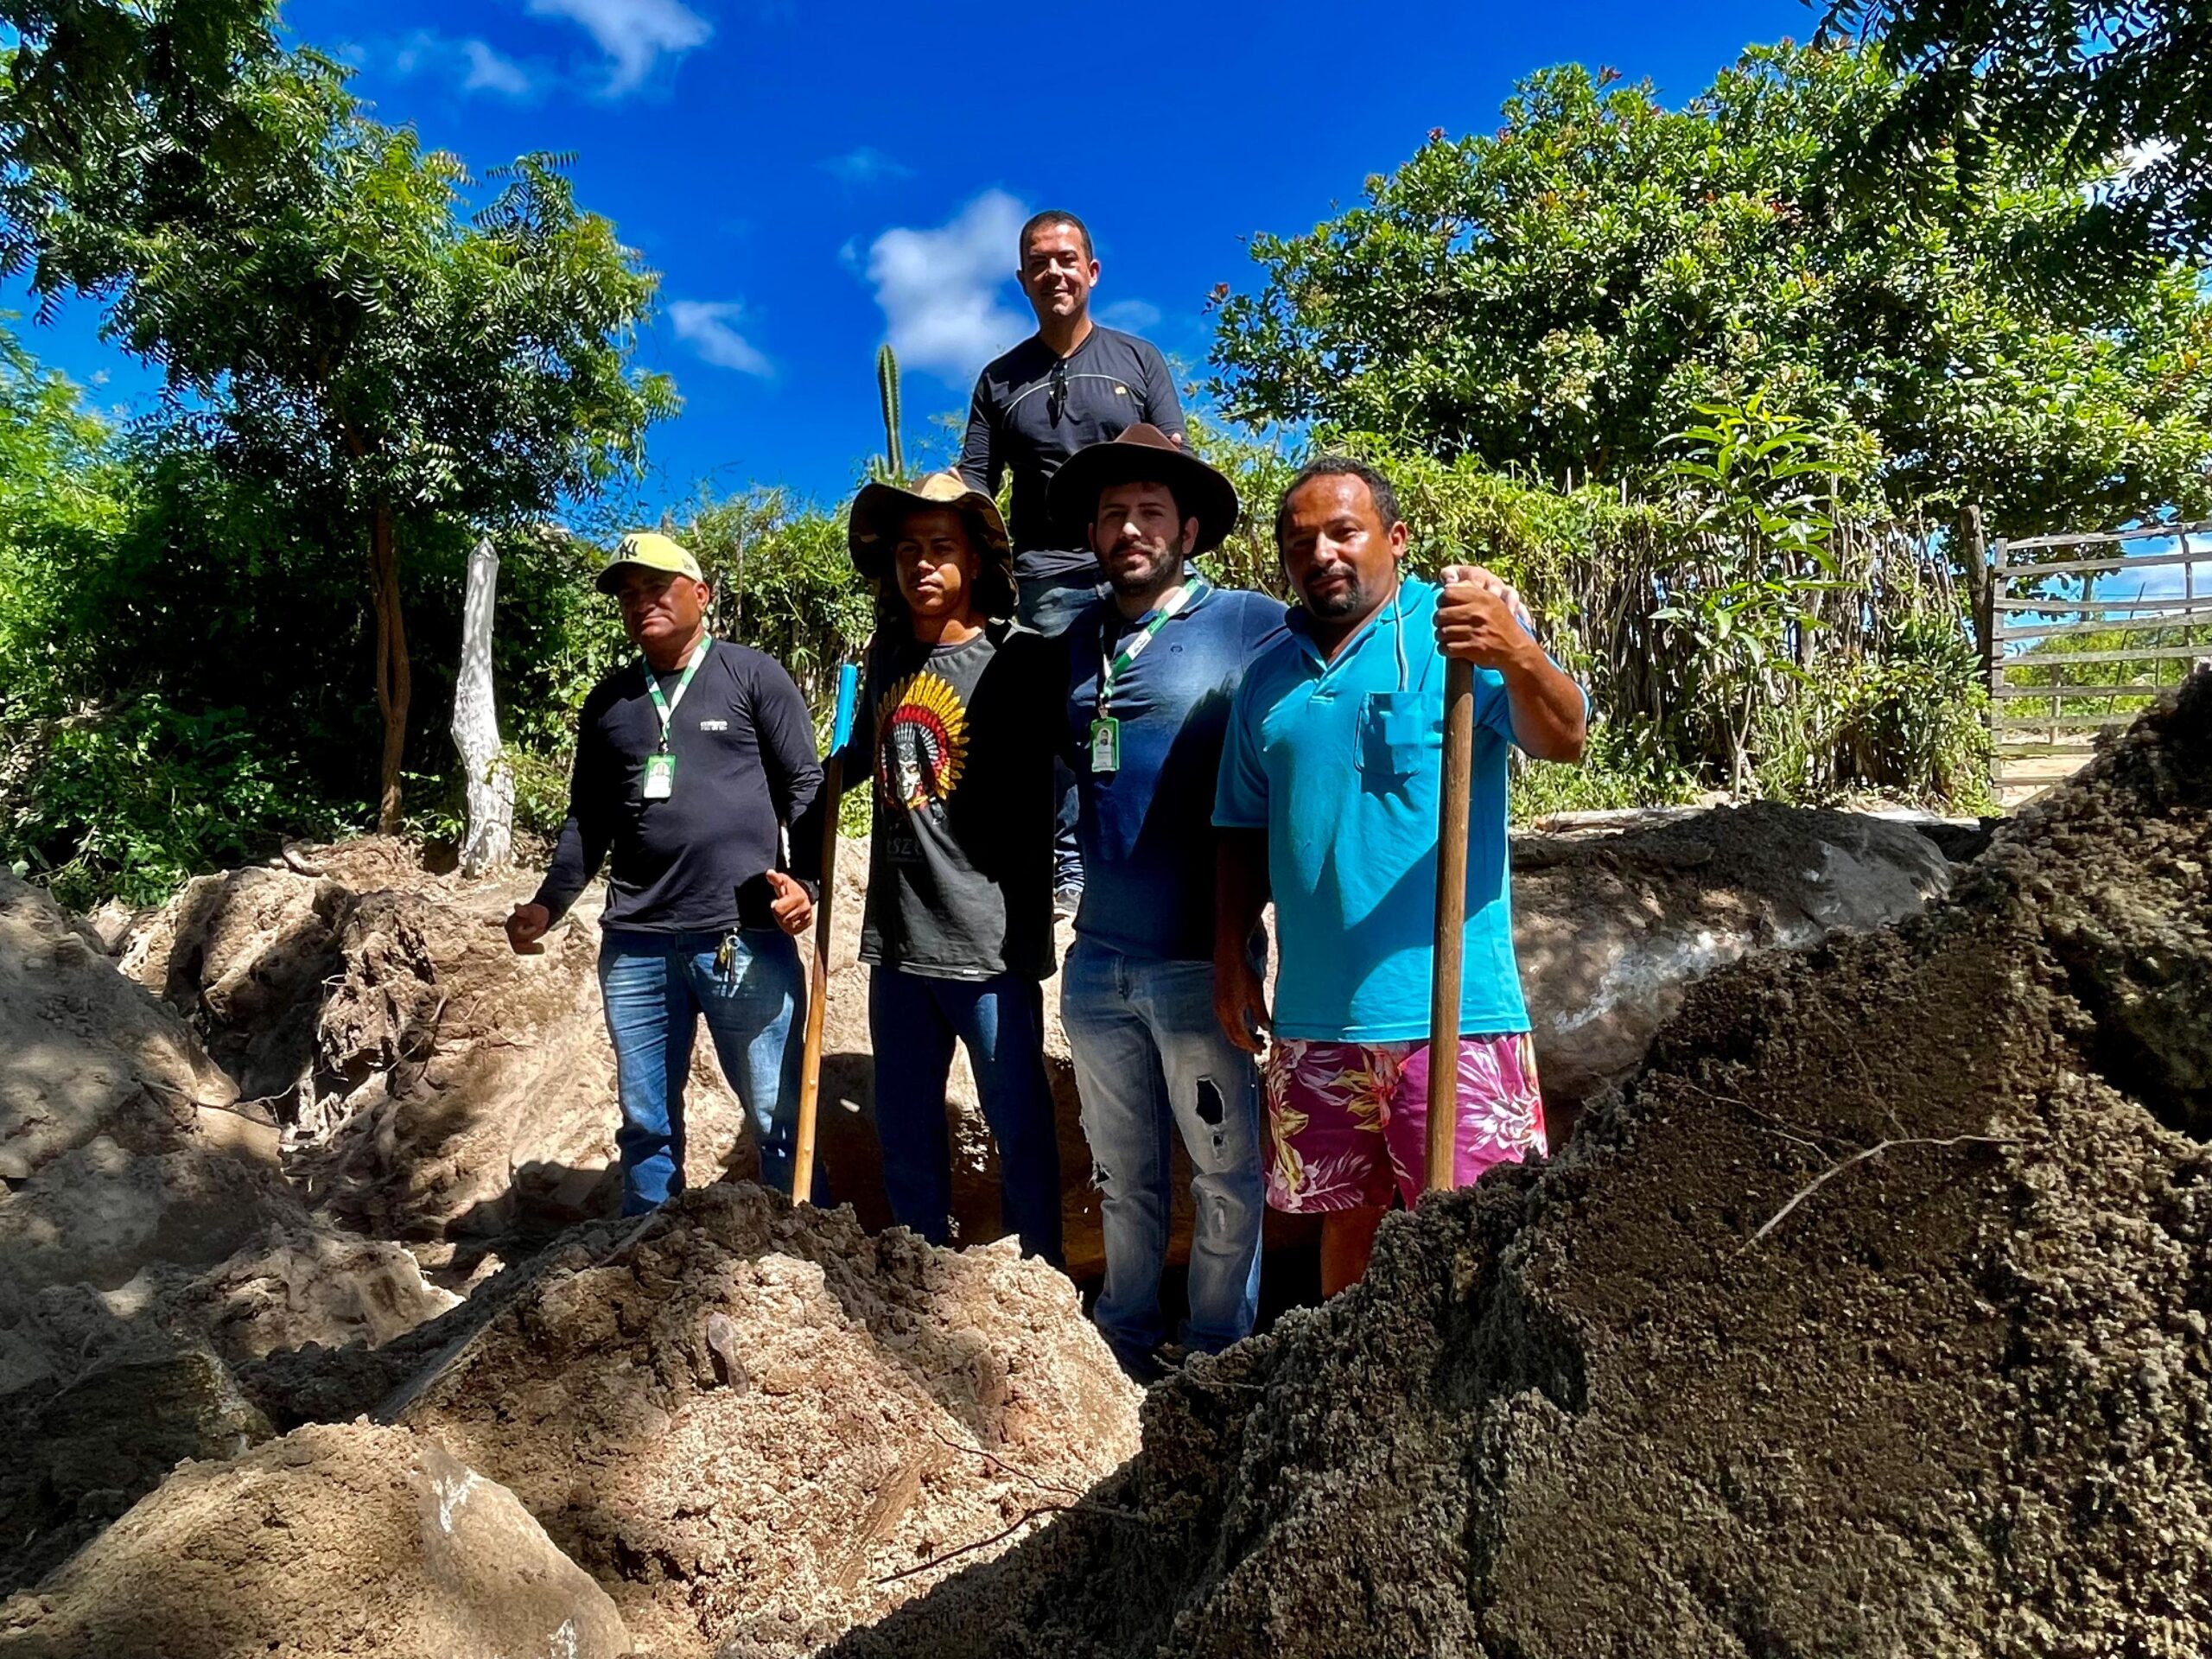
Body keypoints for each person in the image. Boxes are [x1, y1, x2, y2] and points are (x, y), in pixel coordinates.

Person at [1211, 459, 1586, 1295]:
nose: (1322, 554)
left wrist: (1516, 650)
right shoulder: (1266, 680)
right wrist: (1231, 951)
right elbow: (1239, 825)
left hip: (1451, 1013)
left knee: (1475, 1234)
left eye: (1343, 531)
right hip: (1314, 1021)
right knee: (1346, 1222)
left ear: (1394, 539)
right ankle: (1348, 1397)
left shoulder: (1456, 631)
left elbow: (1564, 738)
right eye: (1299, 540)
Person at [1043, 425, 1284, 1380]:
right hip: (1096, 963)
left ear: (1188, 527)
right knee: (1120, 1174)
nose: (1129, 528)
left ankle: (1219, 1354)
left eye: (1149, 511)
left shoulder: (1250, 622)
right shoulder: (1073, 642)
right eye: (1111, 514)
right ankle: (1123, 1343)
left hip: (1203, 963)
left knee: (1226, 1171)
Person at [507, 531, 822, 1215]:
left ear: (700, 594)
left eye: (656, 587)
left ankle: (805, 1254)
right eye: (628, 593)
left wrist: (809, 885)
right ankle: (644, 1254)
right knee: (646, 1120)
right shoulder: (610, 703)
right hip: (637, 943)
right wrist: (547, 904)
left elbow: (805, 785)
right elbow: (588, 819)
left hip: (744, 937)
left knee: (778, 1115)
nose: (641, 601)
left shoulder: (751, 675)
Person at [798, 472, 1065, 1262]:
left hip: (987, 946)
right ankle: (919, 1280)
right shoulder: (884, 658)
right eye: (908, 550)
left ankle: (1039, 1287)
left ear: (976, 560)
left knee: (1018, 1127)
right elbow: (852, 763)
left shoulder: (1021, 661)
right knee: (906, 1130)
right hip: (898, 943)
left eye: (941, 549)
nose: (922, 565)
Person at [959, 208, 1186, 918]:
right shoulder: (1000, 380)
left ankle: (1162, 839)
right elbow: (975, 484)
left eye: (1067, 259)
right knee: (1059, 718)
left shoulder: (1137, 360)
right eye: (1039, 262)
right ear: (1023, 280)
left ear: (1091, 272)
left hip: (1135, 566)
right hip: (1048, 574)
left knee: (1157, 699)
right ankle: (1066, 859)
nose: (1054, 271)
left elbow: (1172, 463)